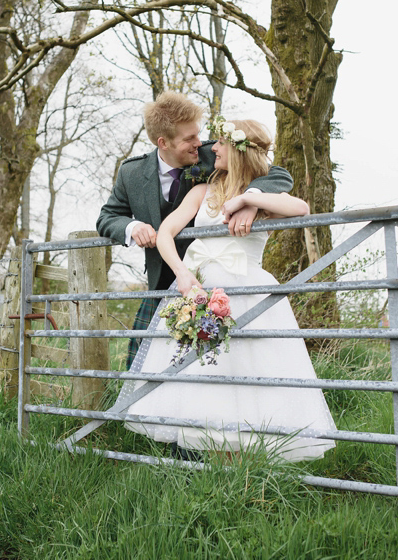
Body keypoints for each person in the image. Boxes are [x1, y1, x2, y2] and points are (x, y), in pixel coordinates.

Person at [119, 118, 336, 460]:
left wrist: (246, 200)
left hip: (248, 289)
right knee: (199, 368)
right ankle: (202, 454)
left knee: (250, 370)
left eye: (220, 143)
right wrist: (182, 273)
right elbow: (165, 233)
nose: (212, 148)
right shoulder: (202, 191)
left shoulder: (261, 196)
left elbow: (302, 209)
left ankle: (245, 459)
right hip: (201, 286)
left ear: (236, 150)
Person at [96, 91, 292, 368]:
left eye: (198, 135)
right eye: (189, 139)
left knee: (231, 354)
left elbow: (277, 173)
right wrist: (132, 225)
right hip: (166, 276)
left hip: (220, 275)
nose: (199, 143)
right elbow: (108, 216)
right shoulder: (132, 173)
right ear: (162, 142)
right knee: (146, 358)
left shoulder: (213, 154)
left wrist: (251, 196)